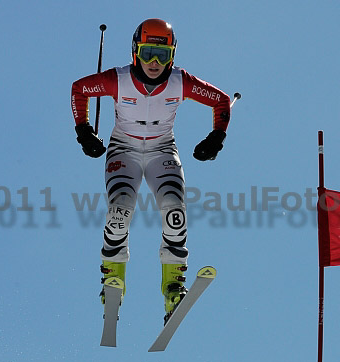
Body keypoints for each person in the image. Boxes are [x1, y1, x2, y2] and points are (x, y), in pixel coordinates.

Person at [70, 18, 231, 323]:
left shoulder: (180, 82)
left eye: (163, 56)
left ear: (173, 55)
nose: (154, 63)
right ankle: (112, 278)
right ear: (135, 51)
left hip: (161, 152)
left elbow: (221, 102)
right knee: (120, 210)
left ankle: (173, 287)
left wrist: (216, 138)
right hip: (124, 150)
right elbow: (79, 89)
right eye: (147, 54)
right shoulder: (117, 79)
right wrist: (84, 131)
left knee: (175, 211)